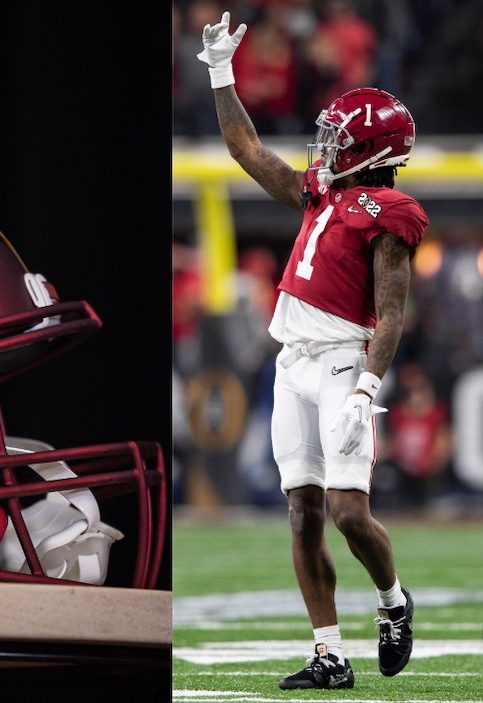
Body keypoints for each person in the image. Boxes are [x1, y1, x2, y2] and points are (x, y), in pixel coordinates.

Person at [197, 11, 424, 691]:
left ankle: (392, 601)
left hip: (343, 363)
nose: (324, 147)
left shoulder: (391, 215)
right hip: (291, 361)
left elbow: (390, 314)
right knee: (302, 510)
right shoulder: (320, 192)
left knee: (351, 512)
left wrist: (366, 388)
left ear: (370, 150)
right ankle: (329, 653)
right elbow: (247, 149)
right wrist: (218, 74)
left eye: (338, 138)